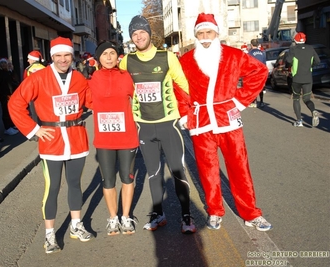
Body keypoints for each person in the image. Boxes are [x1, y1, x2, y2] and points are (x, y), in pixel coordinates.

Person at [176, 13, 272, 232]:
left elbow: (259, 71)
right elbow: (179, 88)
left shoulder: (234, 55)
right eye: (200, 33)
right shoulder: (187, 60)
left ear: (216, 33)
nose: (205, 37)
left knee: (240, 168)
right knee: (208, 171)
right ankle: (215, 211)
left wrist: (239, 101)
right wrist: (185, 113)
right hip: (201, 122)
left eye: (208, 32)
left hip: (228, 119)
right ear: (196, 36)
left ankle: (251, 213)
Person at [8, 36, 92, 254]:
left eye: (67, 55)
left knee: (75, 184)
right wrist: (35, 129)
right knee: (52, 188)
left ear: (71, 56)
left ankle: (76, 225)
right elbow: (15, 103)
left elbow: (93, 101)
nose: (63, 59)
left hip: (76, 139)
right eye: (59, 55)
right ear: (52, 57)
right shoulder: (39, 77)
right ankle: (49, 235)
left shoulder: (80, 78)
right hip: (51, 141)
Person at [119, 15, 196, 234]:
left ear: (149, 34)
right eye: (134, 34)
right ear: (131, 38)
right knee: (153, 172)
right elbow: (118, 86)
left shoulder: (167, 57)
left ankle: (186, 216)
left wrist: (188, 112)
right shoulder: (127, 61)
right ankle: (158, 214)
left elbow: (184, 84)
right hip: (143, 125)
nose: (139, 36)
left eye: (142, 32)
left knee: (177, 171)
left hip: (168, 124)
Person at [88, 41, 139, 235]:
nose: (109, 57)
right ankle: (113, 218)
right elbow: (84, 100)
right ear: (98, 58)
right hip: (104, 140)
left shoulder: (127, 77)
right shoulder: (93, 79)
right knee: (108, 180)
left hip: (127, 138)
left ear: (118, 56)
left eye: (112, 53)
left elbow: (140, 100)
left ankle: (125, 217)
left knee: (127, 178)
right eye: (104, 54)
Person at [286, 32, 320, 127]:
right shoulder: (310, 48)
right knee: (306, 99)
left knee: (296, 99)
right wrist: (310, 66)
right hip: (308, 78)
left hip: (297, 78)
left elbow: (288, 61)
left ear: (295, 41)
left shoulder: (293, 49)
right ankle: (313, 111)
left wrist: (288, 67)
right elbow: (318, 61)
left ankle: (299, 121)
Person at [0, 58, 19, 136]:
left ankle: (11, 125)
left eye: (5, 63)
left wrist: (12, 70)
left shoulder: (8, 72)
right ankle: (7, 128)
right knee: (5, 111)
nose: (4, 65)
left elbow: (15, 81)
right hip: (4, 94)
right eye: (2, 63)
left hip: (10, 94)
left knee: (10, 111)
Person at [23, 50, 46, 126]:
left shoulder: (28, 69)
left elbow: (25, 83)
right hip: (44, 94)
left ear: (33, 59)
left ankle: (37, 132)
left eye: (28, 59)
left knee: (34, 114)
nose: (27, 60)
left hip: (33, 95)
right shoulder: (45, 68)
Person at [248, 39, 267, 108]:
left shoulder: (250, 53)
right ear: (258, 44)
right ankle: (261, 101)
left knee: (253, 87)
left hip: (253, 72)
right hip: (261, 72)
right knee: (261, 87)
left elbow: (248, 64)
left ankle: (254, 102)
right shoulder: (262, 53)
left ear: (251, 45)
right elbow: (264, 64)